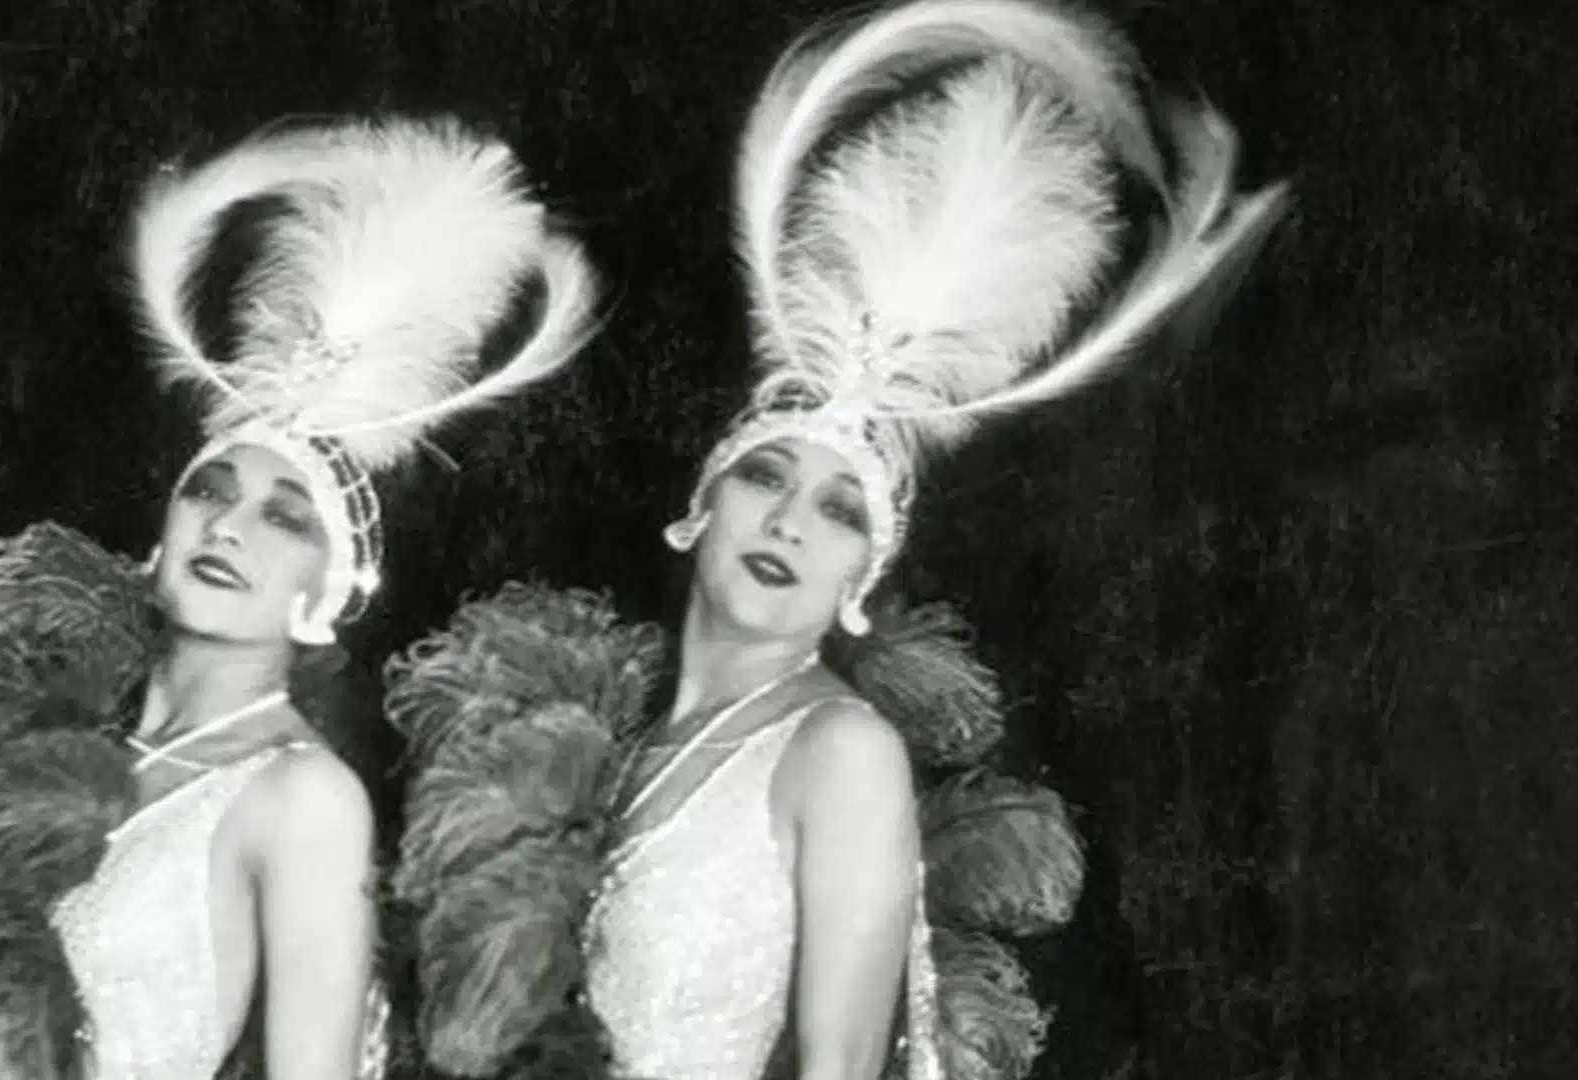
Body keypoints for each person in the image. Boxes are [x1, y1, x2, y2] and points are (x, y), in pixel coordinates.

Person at [384, 2, 1290, 1079]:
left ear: (864, 572)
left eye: (840, 511)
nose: (789, 521)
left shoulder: (839, 751)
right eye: (765, 476)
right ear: (701, 504)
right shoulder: (617, 744)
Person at [0, 115, 598, 1080]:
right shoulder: (51, 736)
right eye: (209, 492)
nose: (228, 528)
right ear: (163, 532)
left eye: (286, 519)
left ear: (330, 587)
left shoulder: (302, 797)